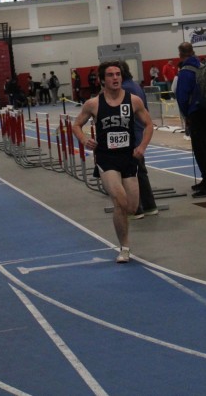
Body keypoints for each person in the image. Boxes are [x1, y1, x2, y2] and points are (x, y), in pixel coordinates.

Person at [71, 61, 153, 264]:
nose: (115, 78)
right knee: (119, 200)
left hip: (128, 158)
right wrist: (84, 140)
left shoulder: (133, 101)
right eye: (110, 75)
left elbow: (149, 124)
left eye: (118, 74)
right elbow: (76, 125)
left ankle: (123, 227)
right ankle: (124, 248)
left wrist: (142, 147)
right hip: (106, 159)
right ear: (102, 80)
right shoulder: (93, 104)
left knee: (132, 207)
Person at [175, 42, 206, 198]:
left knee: (201, 149)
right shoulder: (203, 66)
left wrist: (186, 116)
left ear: (180, 54)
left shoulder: (185, 72)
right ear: (193, 52)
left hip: (197, 113)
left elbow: (182, 97)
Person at [119, 61, 158, 219]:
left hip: (131, 135)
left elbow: (123, 117)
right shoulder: (135, 86)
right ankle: (148, 206)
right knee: (140, 171)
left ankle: (136, 209)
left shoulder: (125, 90)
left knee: (131, 173)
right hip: (137, 132)